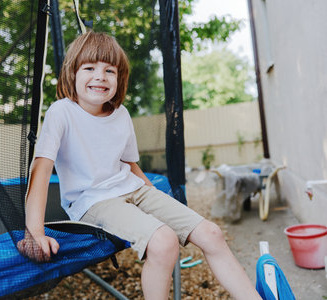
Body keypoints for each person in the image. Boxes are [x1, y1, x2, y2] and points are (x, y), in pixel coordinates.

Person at [17, 31, 261, 300]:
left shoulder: (120, 114)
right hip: (93, 202)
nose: (100, 76)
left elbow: (129, 165)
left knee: (212, 234)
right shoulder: (61, 112)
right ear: (71, 73)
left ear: (119, 78)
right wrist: (34, 232)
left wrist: (159, 204)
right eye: (89, 68)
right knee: (164, 241)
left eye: (109, 70)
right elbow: (40, 171)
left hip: (133, 190)